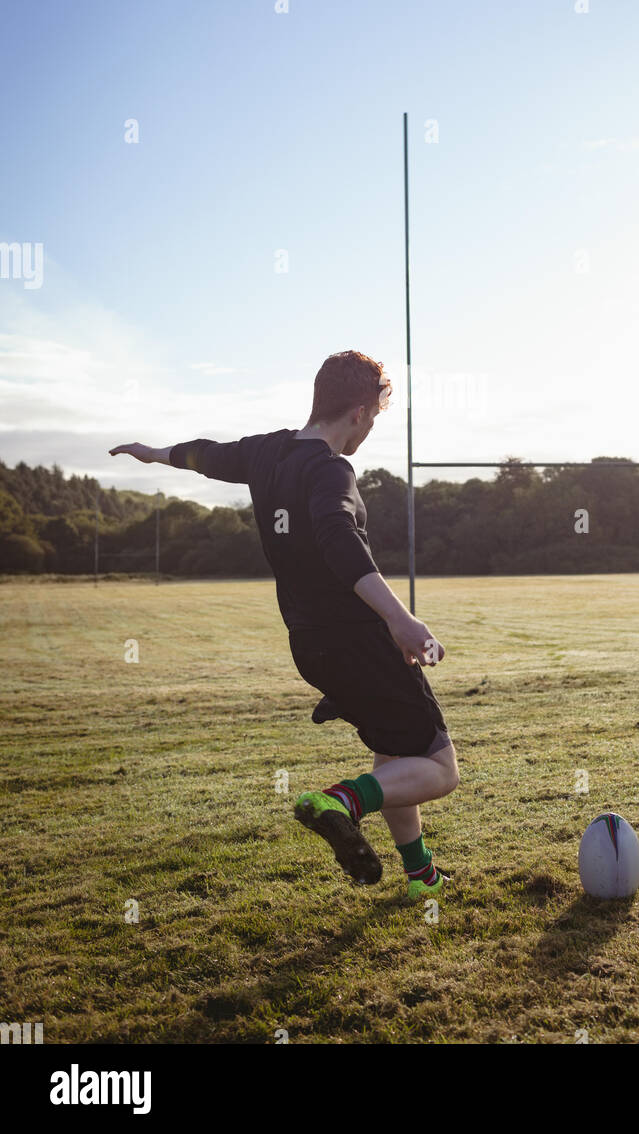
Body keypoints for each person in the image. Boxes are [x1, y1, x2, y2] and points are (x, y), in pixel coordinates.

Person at [109, 349, 458, 900]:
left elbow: (209, 455)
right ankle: (338, 803)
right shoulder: (330, 468)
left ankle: (420, 876)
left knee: (395, 753)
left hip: (310, 646)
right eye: (374, 419)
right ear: (361, 413)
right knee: (438, 767)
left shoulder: (269, 452)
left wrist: (155, 454)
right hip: (359, 641)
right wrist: (401, 618)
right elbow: (338, 540)